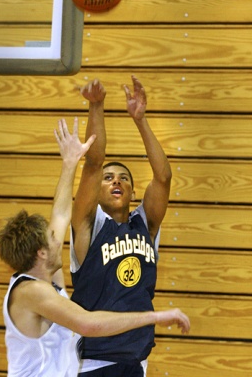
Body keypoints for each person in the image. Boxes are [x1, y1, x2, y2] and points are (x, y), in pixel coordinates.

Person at [0, 117, 190, 377]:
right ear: (41, 252)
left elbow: (61, 213)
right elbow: (88, 324)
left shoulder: (50, 285)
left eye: (122, 178)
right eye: (52, 239)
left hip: (127, 361)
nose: (59, 239)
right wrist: (154, 317)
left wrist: (69, 163)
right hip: (95, 363)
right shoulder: (31, 292)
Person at [70, 76, 184, 377]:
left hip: (137, 359)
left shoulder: (145, 225)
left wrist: (141, 121)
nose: (116, 181)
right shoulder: (88, 224)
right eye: (109, 179)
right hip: (93, 362)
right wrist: (97, 106)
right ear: (97, 190)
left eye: (123, 178)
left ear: (133, 191)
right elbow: (93, 164)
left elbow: (163, 177)